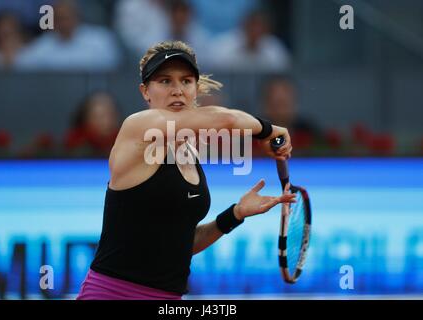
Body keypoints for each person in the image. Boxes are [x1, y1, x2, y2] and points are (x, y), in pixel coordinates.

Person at [76, 40, 295, 300]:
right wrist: (270, 130)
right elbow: (228, 119)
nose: (177, 90)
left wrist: (235, 214)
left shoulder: (189, 153)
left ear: (195, 89)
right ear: (145, 91)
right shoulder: (138, 126)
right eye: (165, 81)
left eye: (186, 81)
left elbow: (181, 245)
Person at [64, 91, 121, 158]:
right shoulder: (75, 141)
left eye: (110, 115)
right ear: (87, 118)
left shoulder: (124, 139)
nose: (106, 122)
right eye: (99, 117)